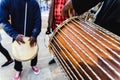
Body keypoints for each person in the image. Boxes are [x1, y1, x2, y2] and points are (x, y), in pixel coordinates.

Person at [0, 0, 41, 80]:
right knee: (17, 52)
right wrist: (14, 34)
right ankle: (18, 69)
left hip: (31, 32)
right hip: (16, 33)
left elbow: (38, 20)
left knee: (33, 49)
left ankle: (33, 65)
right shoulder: (6, 1)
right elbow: (3, 20)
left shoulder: (34, 3)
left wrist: (35, 34)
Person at [45, 0, 70, 65]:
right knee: (55, 43)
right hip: (55, 25)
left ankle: (65, 59)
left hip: (65, 25)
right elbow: (51, 12)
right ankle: (55, 58)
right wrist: (49, 25)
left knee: (66, 44)